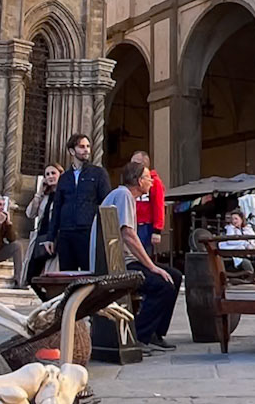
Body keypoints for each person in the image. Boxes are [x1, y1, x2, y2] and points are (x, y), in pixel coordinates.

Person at [100, 159, 181, 348]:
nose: (151, 182)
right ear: (138, 180)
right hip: (119, 263)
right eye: (147, 178)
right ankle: (140, 335)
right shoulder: (124, 195)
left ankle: (155, 333)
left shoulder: (124, 196)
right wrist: (151, 266)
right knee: (163, 284)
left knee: (175, 277)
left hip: (125, 259)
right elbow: (127, 234)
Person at [40, 131, 111, 272]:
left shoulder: (98, 173)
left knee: (88, 273)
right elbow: (57, 208)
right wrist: (50, 237)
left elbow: (106, 203)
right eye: (81, 146)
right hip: (66, 233)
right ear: (72, 151)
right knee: (66, 274)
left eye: (88, 146)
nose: (86, 150)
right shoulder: (64, 178)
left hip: (88, 231)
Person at [22, 165, 61, 283]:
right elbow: (30, 213)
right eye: (47, 174)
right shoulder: (45, 196)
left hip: (55, 238)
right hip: (40, 237)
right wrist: (39, 193)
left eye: (53, 173)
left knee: (50, 273)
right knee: (32, 274)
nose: (50, 176)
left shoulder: (64, 195)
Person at [131, 150, 166, 257]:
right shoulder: (132, 181)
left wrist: (157, 230)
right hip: (133, 224)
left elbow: (159, 206)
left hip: (146, 226)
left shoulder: (155, 182)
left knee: (144, 256)